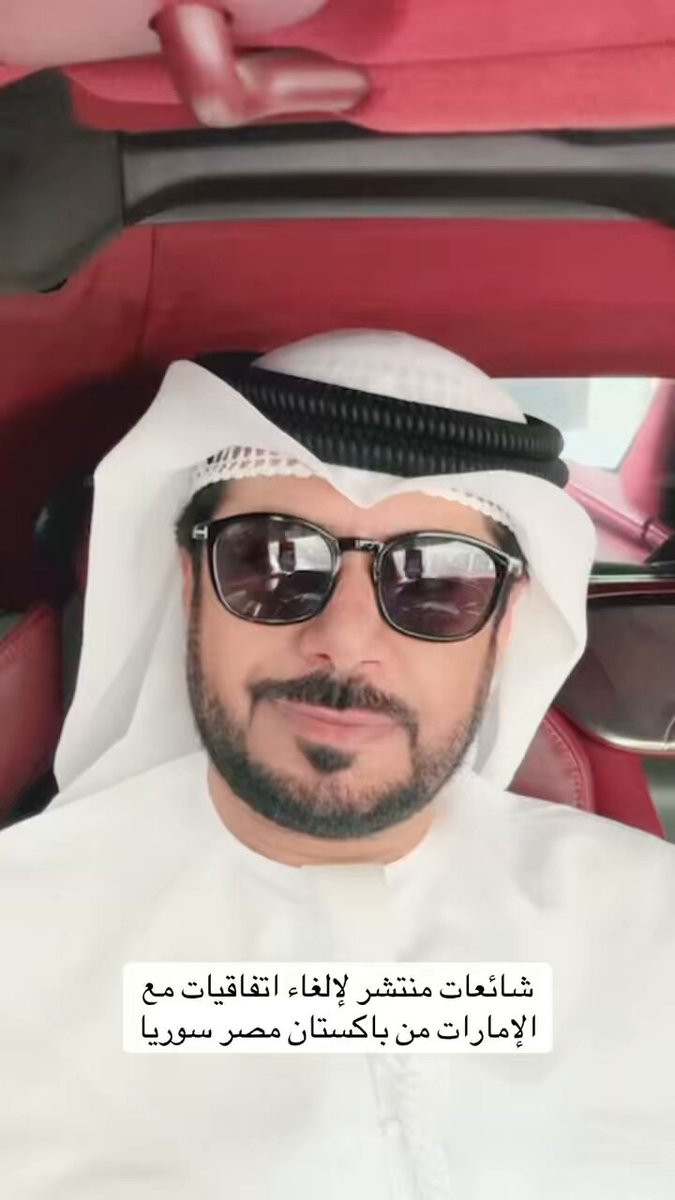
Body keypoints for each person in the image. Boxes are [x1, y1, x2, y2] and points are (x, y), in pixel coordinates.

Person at [0, 330, 673, 1200]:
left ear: (504, 623)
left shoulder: (648, 917)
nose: (345, 642)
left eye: (435, 582)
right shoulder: (22, 935)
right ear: (192, 584)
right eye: (272, 559)